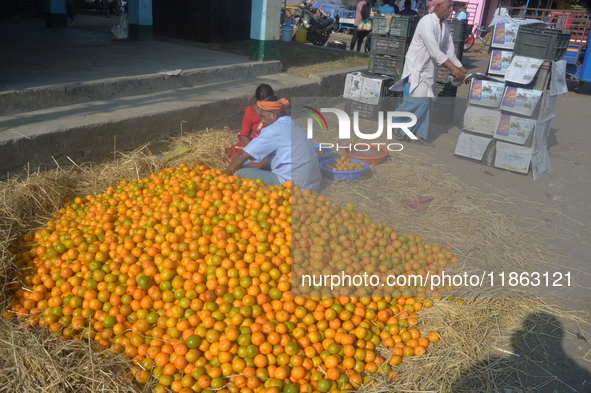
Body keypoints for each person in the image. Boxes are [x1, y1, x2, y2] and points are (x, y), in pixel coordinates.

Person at [391, 0, 468, 146]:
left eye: (451, 7)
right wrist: (453, 69)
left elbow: (448, 51)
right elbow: (434, 50)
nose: (451, 10)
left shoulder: (444, 24)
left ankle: (417, 134)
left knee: (427, 102)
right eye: (448, 7)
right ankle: (396, 122)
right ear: (437, 7)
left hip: (429, 68)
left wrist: (460, 67)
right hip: (417, 67)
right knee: (417, 100)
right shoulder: (426, 22)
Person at [223, 96, 322, 191]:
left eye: (263, 116)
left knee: (240, 173)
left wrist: (223, 177)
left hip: (293, 187)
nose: (263, 121)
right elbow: (264, 162)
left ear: (274, 114)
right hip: (313, 185)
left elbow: (241, 157)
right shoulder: (293, 125)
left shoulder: (272, 130)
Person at [225, 84, 274, 159]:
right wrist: (255, 150)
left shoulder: (276, 112)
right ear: (256, 99)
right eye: (260, 103)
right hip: (253, 145)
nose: (262, 106)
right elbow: (244, 136)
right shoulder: (250, 113)